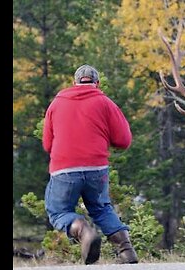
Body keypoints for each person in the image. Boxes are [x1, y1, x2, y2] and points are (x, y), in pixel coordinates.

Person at [42, 64, 138, 264]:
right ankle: (126, 251)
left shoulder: (57, 103)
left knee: (59, 211)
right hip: (97, 168)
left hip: (64, 168)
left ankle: (83, 231)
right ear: (97, 83)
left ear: (74, 82)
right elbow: (124, 140)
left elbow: (47, 144)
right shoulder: (105, 102)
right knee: (102, 208)